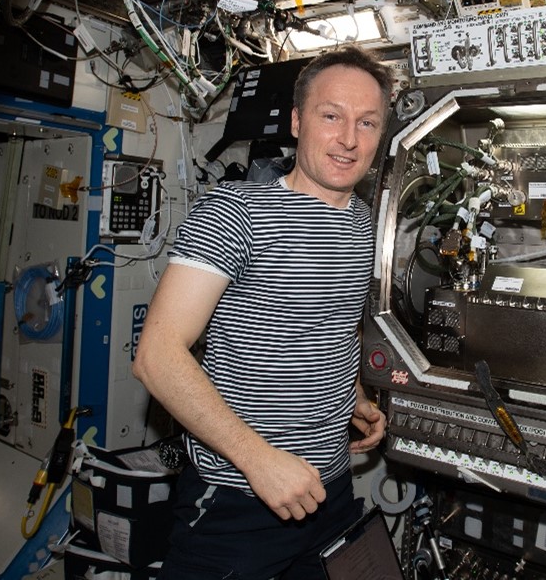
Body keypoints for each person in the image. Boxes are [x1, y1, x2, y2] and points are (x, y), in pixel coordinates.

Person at [132, 45, 393, 579]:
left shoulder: (366, 226)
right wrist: (259, 461)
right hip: (237, 499)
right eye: (331, 116)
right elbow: (157, 356)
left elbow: (327, 332)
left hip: (329, 490)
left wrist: (355, 397)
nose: (349, 139)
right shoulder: (233, 215)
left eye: (367, 122)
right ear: (297, 122)